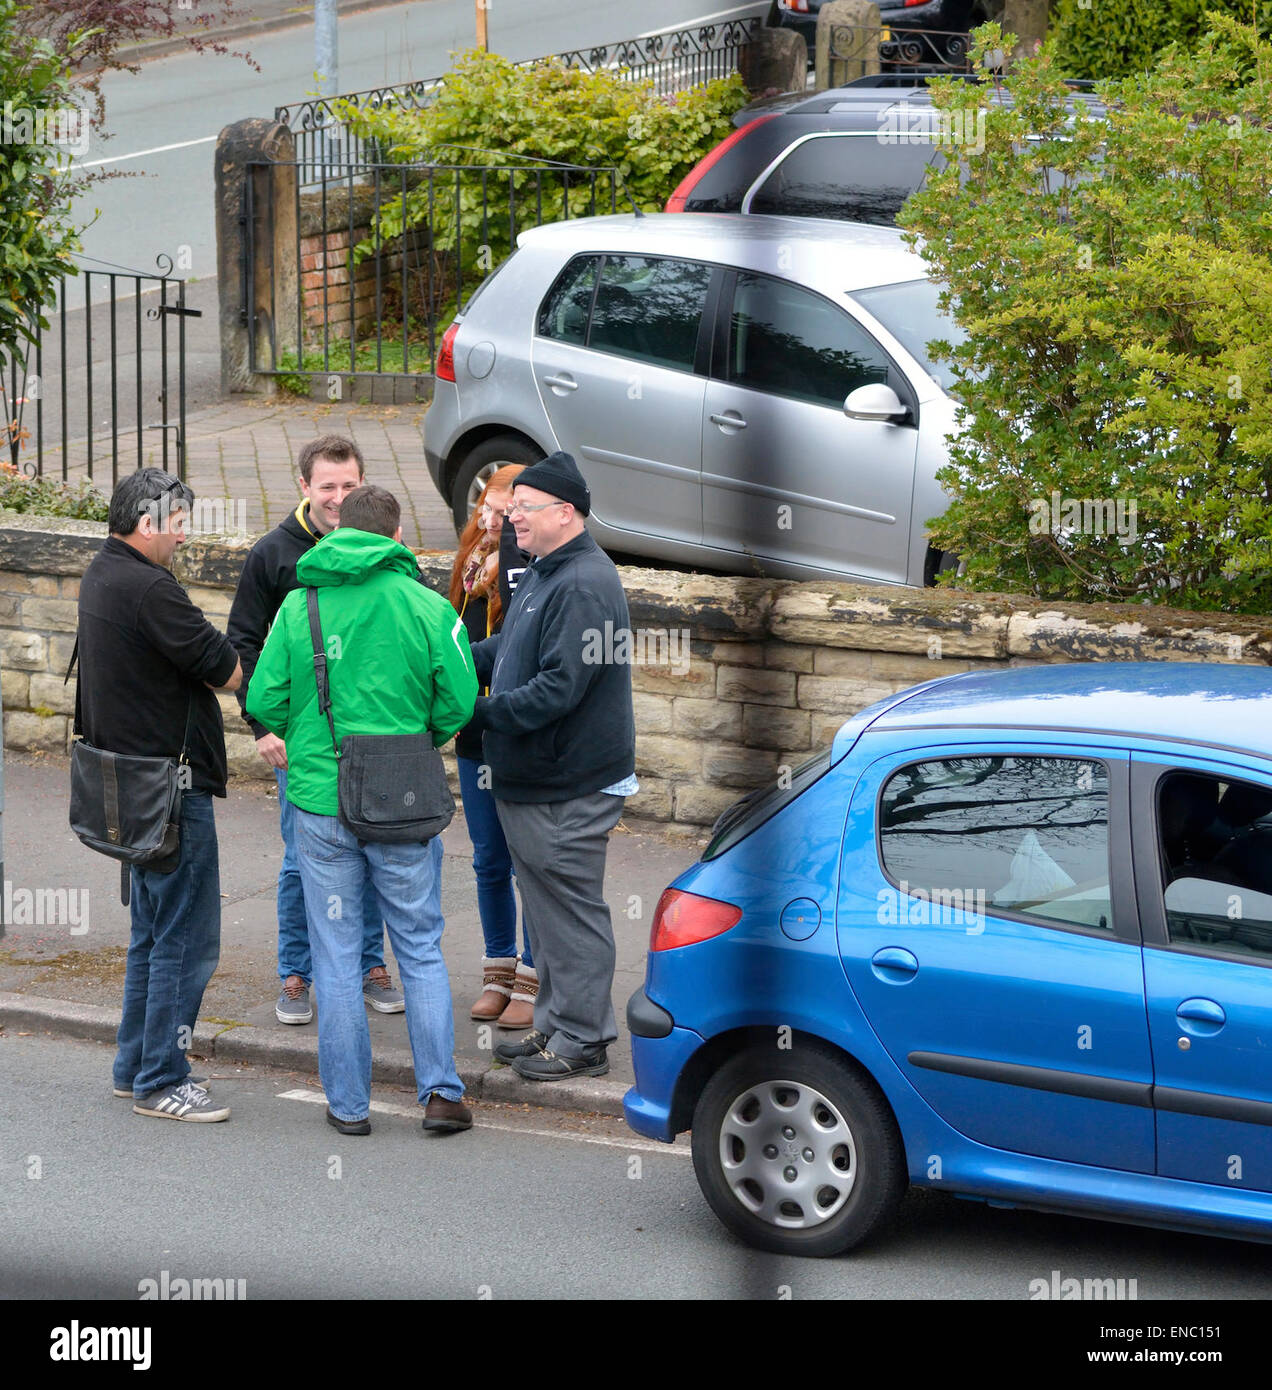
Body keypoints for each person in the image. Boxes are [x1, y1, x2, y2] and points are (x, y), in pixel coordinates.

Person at [246, 485, 478, 1135]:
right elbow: (460, 699)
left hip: (320, 804)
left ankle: (349, 1106)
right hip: (403, 799)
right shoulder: (431, 608)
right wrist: (417, 741)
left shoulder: (300, 607)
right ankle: (440, 1094)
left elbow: (264, 698)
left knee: (337, 954)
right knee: (420, 948)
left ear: (336, 532)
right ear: (397, 536)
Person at [77, 469, 242, 1122]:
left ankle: (134, 1064)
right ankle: (161, 1079)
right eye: (178, 524)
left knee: (152, 933)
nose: (182, 537)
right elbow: (226, 667)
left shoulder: (101, 572)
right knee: (186, 940)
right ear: (149, 523)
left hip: (132, 789)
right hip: (172, 791)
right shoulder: (150, 589)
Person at [468, 452, 636, 1082]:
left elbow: (559, 688)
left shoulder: (585, 583)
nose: (512, 519)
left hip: (567, 782)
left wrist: (473, 715)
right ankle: (553, 1026)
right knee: (544, 909)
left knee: (569, 911)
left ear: (566, 513)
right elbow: (506, 650)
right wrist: (450, 656)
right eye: (510, 508)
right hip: (535, 780)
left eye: (523, 509)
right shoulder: (545, 572)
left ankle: (586, 1038)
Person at [227, 434, 405, 1025]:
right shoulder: (273, 556)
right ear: (304, 486)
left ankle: (368, 965)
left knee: (376, 855)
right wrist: (260, 727)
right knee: (302, 862)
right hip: (302, 749)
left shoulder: (382, 548)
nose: (337, 497)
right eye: (326, 485)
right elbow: (245, 646)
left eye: (348, 485)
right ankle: (296, 972)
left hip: (376, 748)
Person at [447, 464, 538, 1029]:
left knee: (529, 861)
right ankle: (497, 968)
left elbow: (521, 644)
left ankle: (532, 975)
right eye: (488, 509)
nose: (493, 521)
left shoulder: (530, 568)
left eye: (505, 515)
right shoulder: (471, 561)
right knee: (488, 859)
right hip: (474, 730)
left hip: (518, 730)